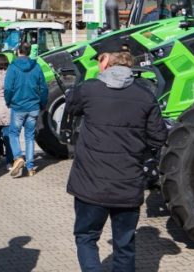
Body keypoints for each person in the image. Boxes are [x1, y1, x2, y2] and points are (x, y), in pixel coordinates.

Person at [66, 51, 168, 272]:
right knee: (124, 244)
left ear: (106, 64)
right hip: (128, 184)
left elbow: (70, 106)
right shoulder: (145, 96)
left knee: (86, 237)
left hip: (90, 184)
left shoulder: (89, 89)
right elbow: (159, 137)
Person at [4, 43, 48, 177]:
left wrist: (8, 101)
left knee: (13, 133)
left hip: (18, 106)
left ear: (18, 51)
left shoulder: (12, 67)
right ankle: (30, 167)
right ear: (29, 52)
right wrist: (43, 103)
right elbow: (44, 88)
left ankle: (18, 157)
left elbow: (8, 88)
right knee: (30, 137)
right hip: (33, 106)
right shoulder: (37, 66)